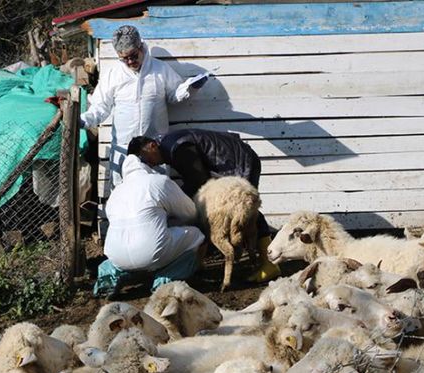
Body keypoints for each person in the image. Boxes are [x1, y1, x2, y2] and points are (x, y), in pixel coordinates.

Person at [127, 128, 281, 283]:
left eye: (146, 158)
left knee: (246, 208)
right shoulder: (171, 145)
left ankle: (269, 264)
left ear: (152, 145)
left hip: (239, 162)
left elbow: (198, 180)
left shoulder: (177, 148)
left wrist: (173, 198)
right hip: (234, 160)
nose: (150, 164)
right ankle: (250, 260)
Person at [80, 25, 207, 186]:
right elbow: (100, 107)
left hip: (154, 150)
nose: (130, 61)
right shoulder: (113, 75)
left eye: (133, 55)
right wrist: (86, 120)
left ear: (141, 46)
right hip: (123, 148)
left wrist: (190, 88)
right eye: (124, 58)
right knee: (122, 191)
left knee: (157, 190)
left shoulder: (160, 69)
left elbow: (174, 94)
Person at [93, 154, 206, 299]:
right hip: (152, 251)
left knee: (117, 260)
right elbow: (190, 212)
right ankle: (164, 281)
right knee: (197, 236)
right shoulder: (158, 181)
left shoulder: (116, 193)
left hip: (116, 255)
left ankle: (108, 279)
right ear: (145, 166)